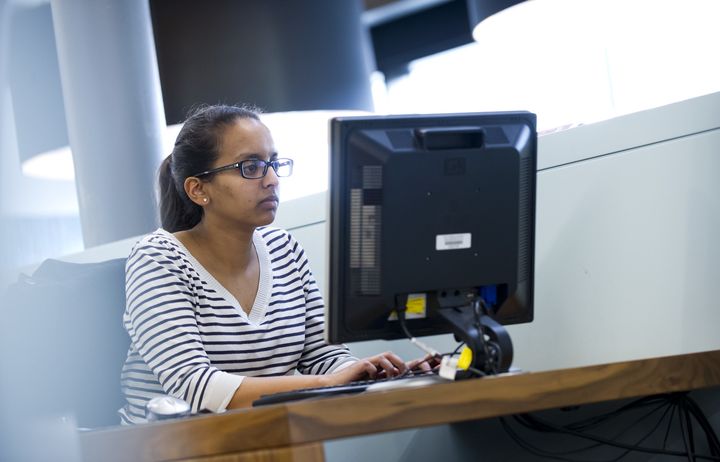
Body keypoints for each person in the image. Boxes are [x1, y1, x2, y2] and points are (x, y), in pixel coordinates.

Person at [119, 104, 429, 424]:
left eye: (273, 163)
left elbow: (321, 356)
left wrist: (376, 375)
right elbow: (192, 387)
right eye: (250, 166)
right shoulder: (158, 260)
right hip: (166, 448)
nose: (271, 180)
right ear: (198, 189)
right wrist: (324, 384)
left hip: (263, 437)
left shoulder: (284, 249)